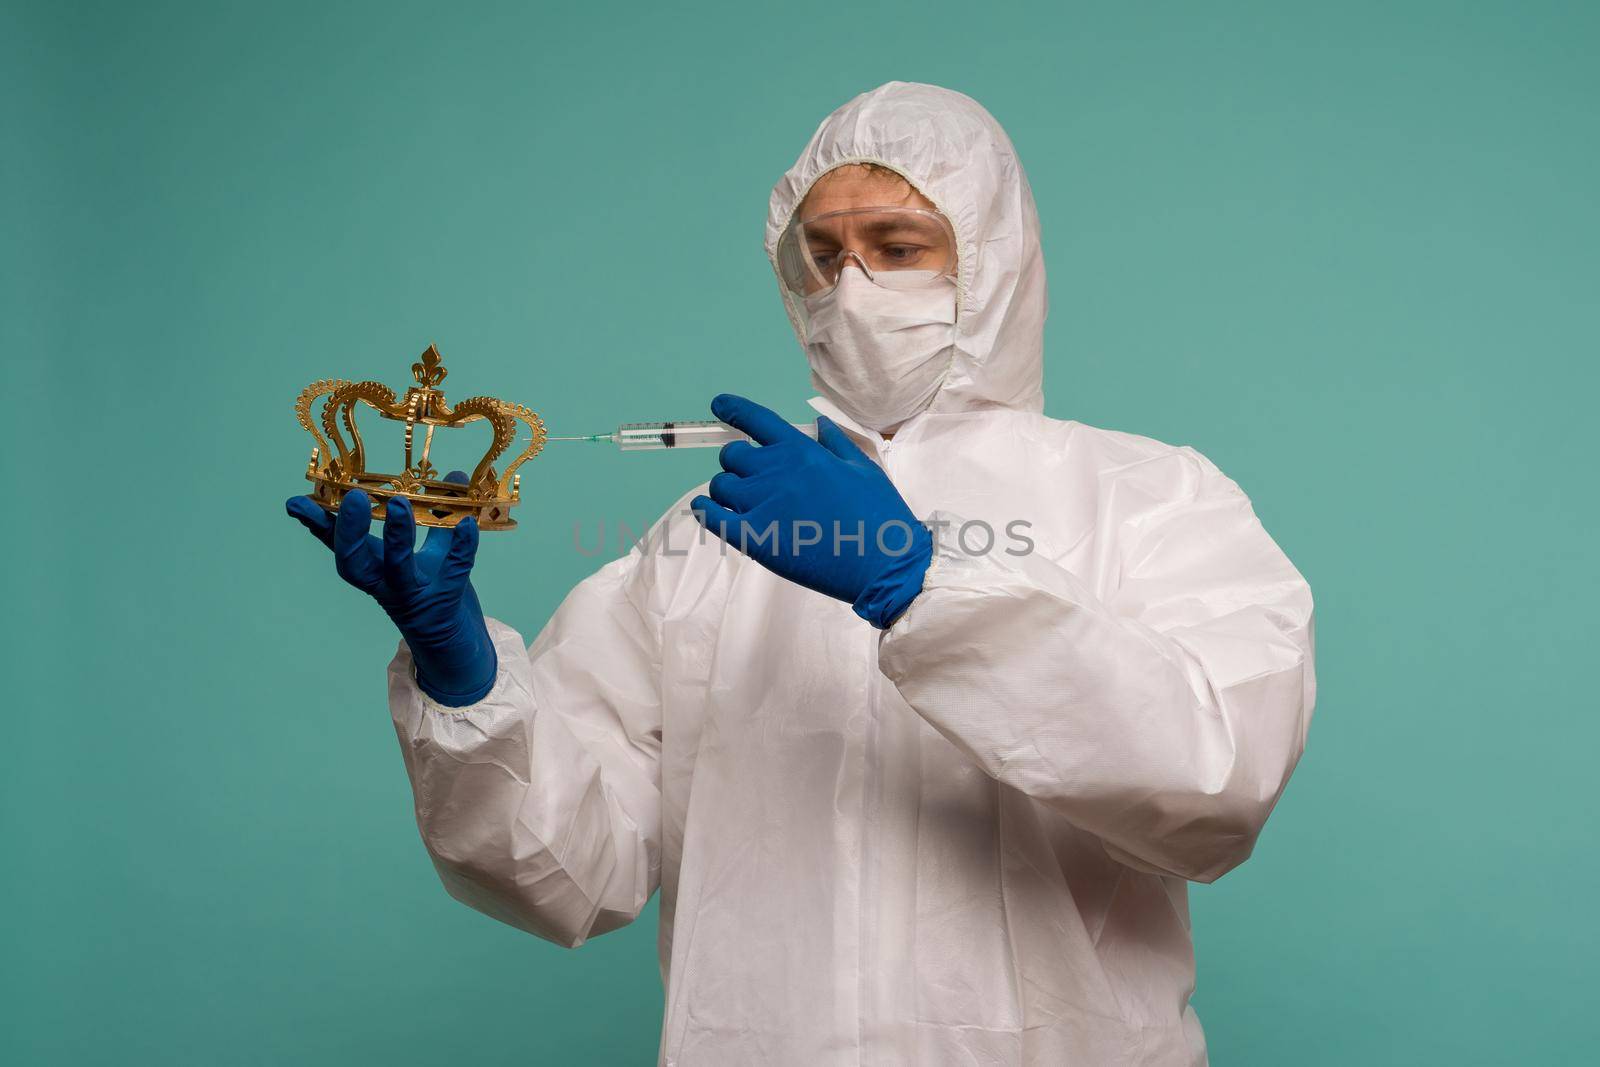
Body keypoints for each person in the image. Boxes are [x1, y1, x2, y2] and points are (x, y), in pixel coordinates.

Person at [287, 81, 1316, 1066]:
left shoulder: (1144, 496)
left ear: (990, 260)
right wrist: (463, 679)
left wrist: (919, 581)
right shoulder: (701, 543)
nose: (851, 285)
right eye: (821, 255)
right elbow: (571, 873)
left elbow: (1216, 786)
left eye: (898, 246)